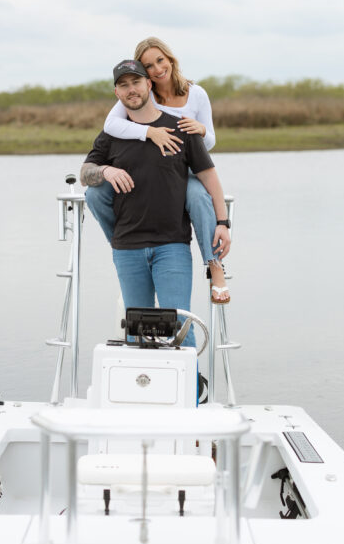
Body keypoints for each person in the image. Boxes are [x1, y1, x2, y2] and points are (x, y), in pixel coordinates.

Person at [80, 60, 232, 349]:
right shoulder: (111, 134)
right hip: (127, 248)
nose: (131, 90)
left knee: (180, 327)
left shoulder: (181, 128)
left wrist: (222, 222)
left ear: (149, 84)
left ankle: (191, 394)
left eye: (136, 82)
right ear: (116, 93)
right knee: (137, 334)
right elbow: (85, 173)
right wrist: (105, 171)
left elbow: (210, 178)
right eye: (123, 85)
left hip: (171, 246)